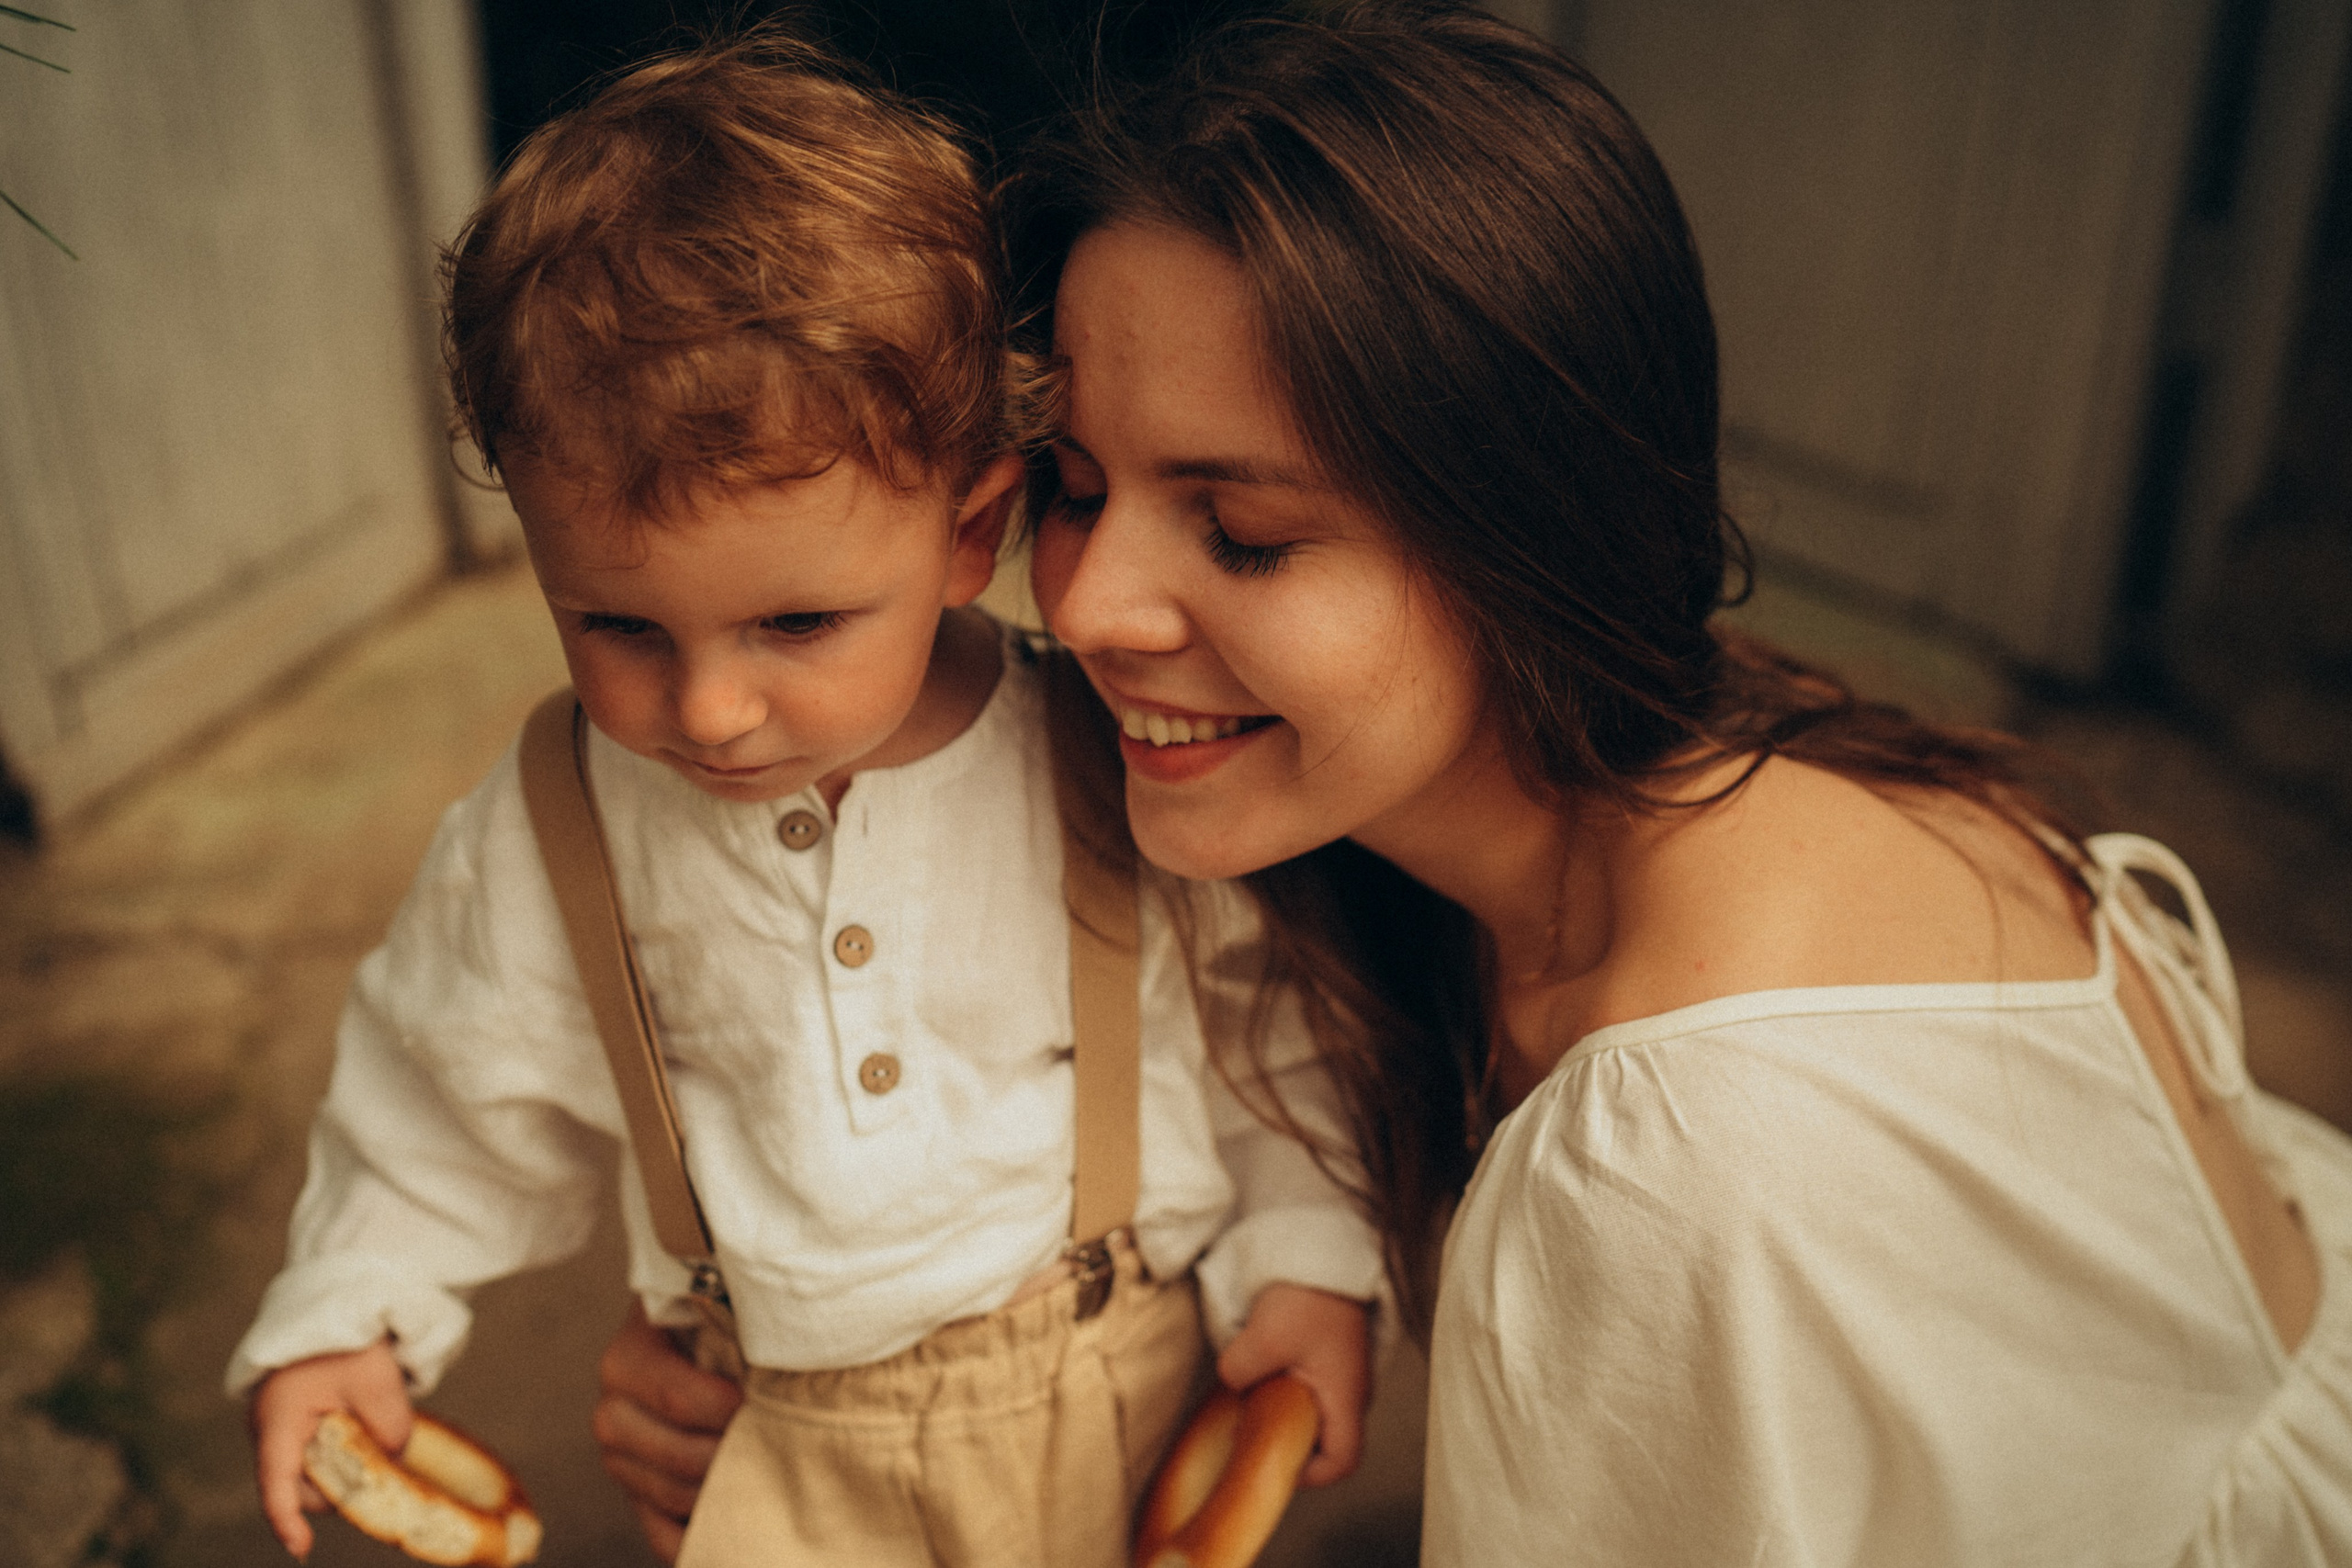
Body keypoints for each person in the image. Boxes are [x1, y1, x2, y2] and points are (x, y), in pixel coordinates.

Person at [590, 4, 2352, 1563]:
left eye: (1251, 533)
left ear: (1527, 533)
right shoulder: (1694, 764)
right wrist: (803, 1357)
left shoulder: (1677, 1147)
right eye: (1069, 484)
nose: (1090, 606)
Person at [226, 37, 1384, 1568]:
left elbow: (1265, 1040)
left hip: (1116, 1401)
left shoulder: (1096, 760)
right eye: (618, 626)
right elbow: (439, 1094)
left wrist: (1304, 1268)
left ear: (970, 532)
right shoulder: (559, 829)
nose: (704, 711)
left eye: (796, 625)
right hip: (775, 1456)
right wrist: (342, 1317)